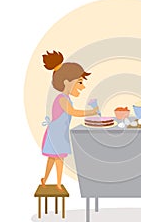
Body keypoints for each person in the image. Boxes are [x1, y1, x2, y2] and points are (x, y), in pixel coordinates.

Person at [40, 51, 98, 190]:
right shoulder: (62, 99)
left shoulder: (65, 98)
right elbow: (73, 112)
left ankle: (45, 179)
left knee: (54, 158)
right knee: (58, 159)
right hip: (56, 134)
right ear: (66, 82)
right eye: (79, 82)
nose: (82, 87)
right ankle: (58, 183)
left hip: (58, 133)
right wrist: (91, 112)